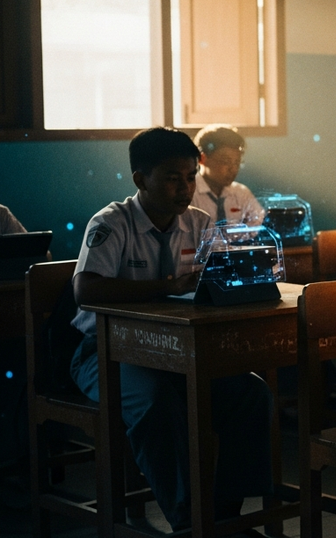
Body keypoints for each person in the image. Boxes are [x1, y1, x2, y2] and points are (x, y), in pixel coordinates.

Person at [70, 127, 272, 533]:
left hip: (177, 352)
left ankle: (224, 516)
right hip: (107, 353)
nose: (184, 188)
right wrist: (166, 286)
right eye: (171, 178)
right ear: (140, 180)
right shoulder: (112, 222)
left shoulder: (198, 222)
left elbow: (216, 280)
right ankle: (189, 519)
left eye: (190, 177)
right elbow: (85, 289)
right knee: (156, 401)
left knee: (250, 392)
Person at [191, 124, 264, 226]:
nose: (233, 169)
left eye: (237, 162)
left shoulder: (241, 193)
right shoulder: (189, 193)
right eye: (226, 161)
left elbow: (258, 223)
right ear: (202, 159)